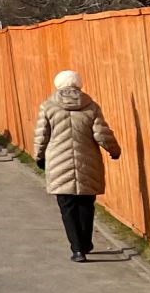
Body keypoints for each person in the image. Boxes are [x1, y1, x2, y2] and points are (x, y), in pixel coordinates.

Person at [32, 69, 122, 262]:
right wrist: (114, 150)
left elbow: (42, 135)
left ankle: (77, 249)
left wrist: (39, 157)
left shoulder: (48, 106)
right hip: (87, 162)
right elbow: (102, 133)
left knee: (67, 207)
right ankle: (86, 242)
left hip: (58, 163)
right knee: (86, 205)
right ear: (79, 84)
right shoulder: (91, 107)